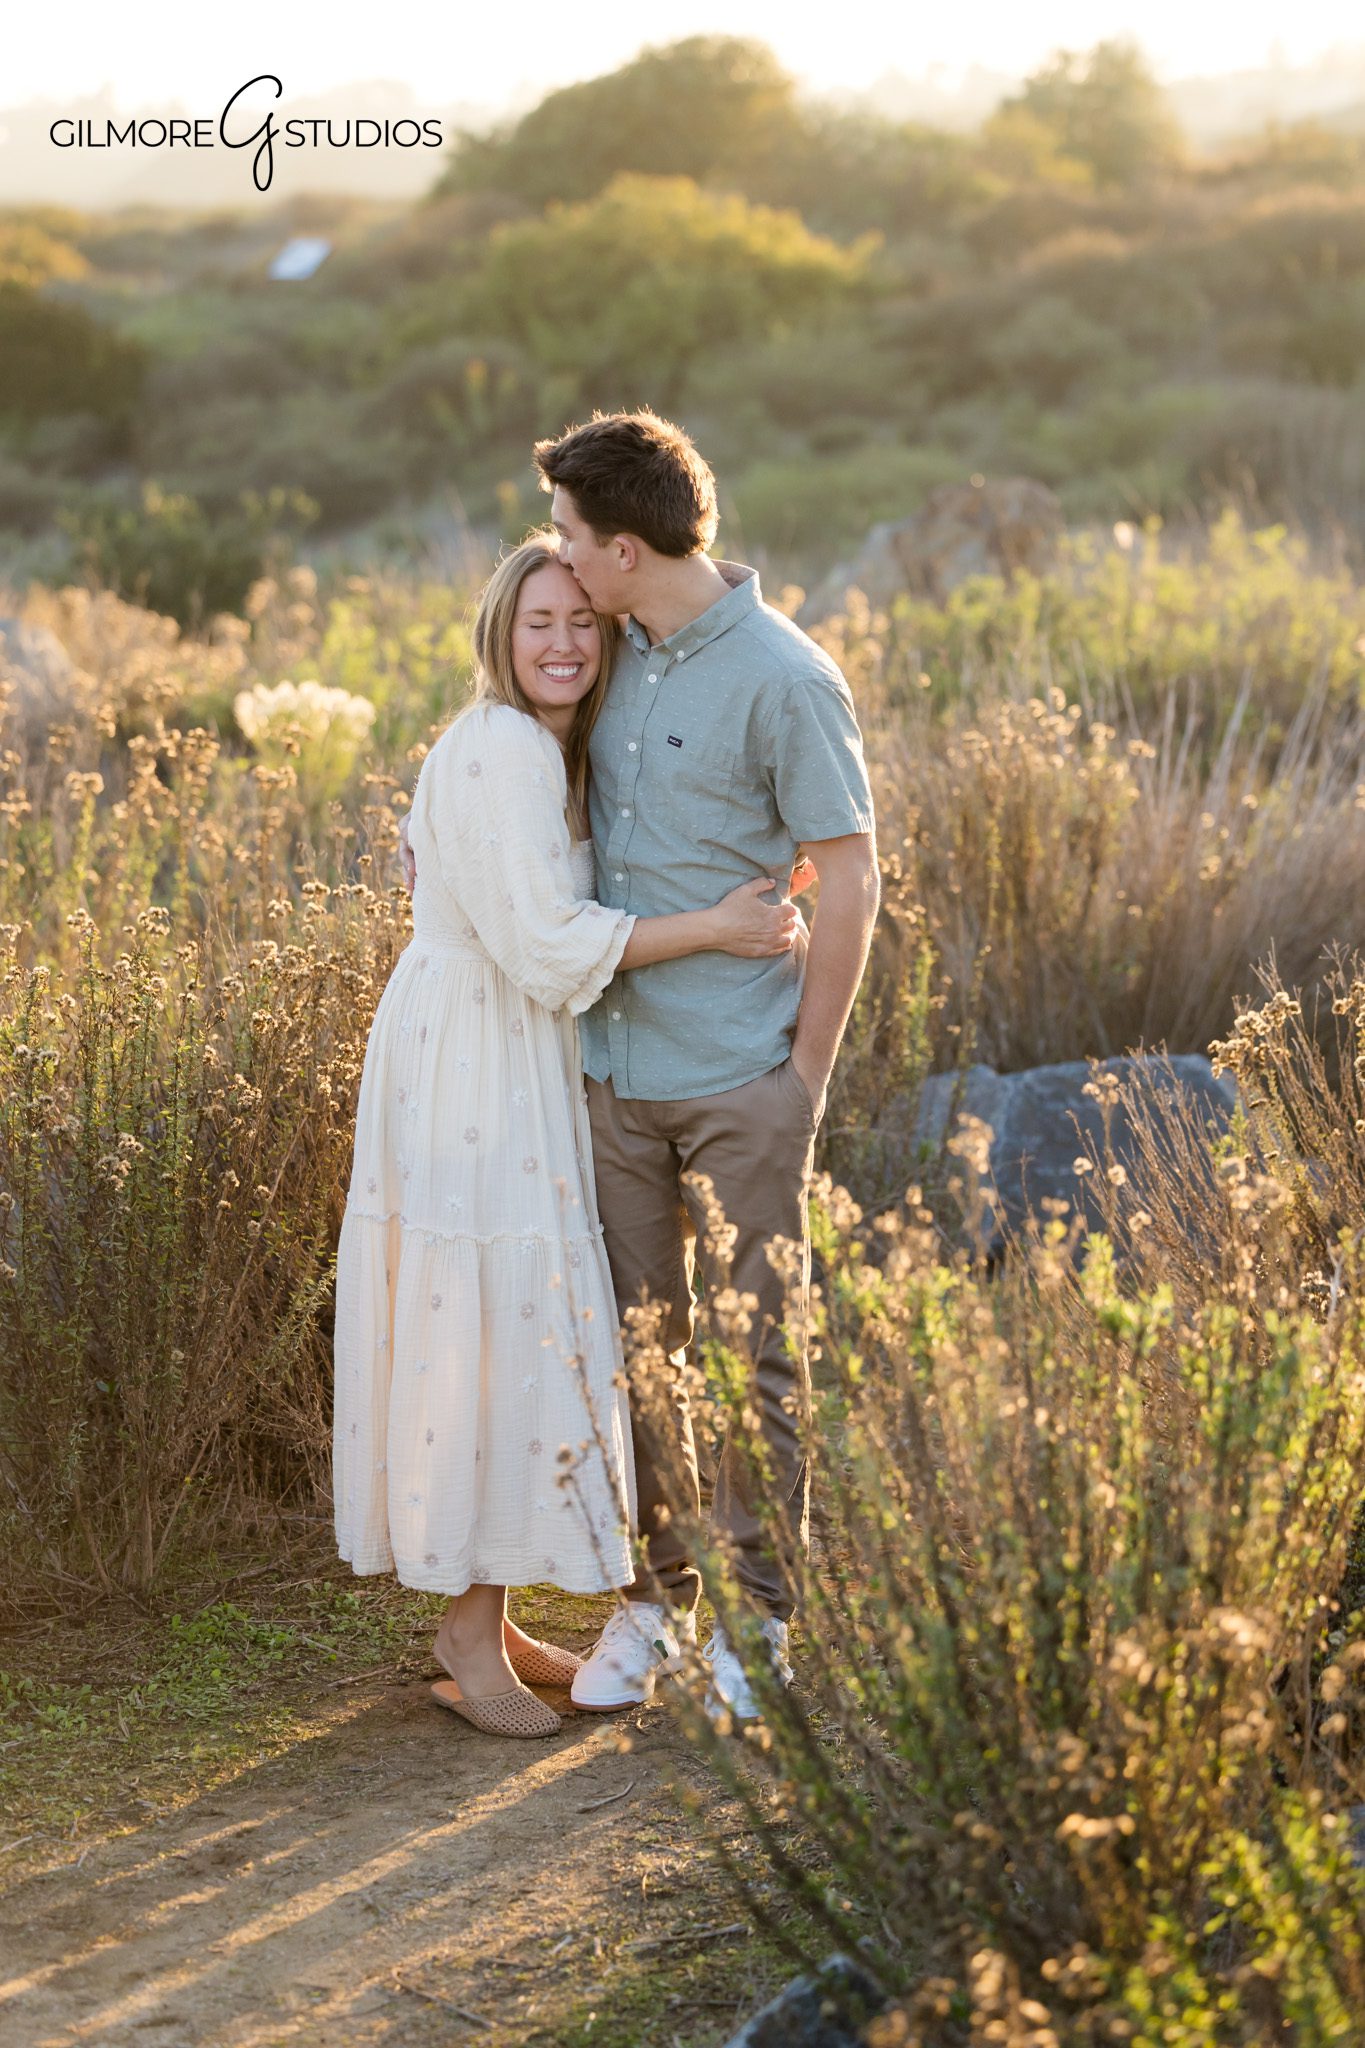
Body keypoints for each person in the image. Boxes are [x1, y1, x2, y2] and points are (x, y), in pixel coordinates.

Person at [335, 531, 802, 1740]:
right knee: (479, 1318)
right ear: (501, 632)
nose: (561, 641)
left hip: (515, 1047)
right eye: (537, 620)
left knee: (511, 1321)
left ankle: (488, 1615)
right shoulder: (497, 746)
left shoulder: (541, 747)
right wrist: (717, 927)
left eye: (581, 621)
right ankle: (463, 1628)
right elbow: (547, 947)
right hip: (476, 1057)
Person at [534, 410, 880, 1724]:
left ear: (623, 549)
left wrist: (804, 1075)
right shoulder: (613, 648)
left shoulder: (787, 678)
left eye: (569, 535)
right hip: (612, 1074)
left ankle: (765, 1621)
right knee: (637, 1349)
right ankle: (654, 1599)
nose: (555, 557)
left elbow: (851, 879)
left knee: (760, 1355)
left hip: (743, 1080)